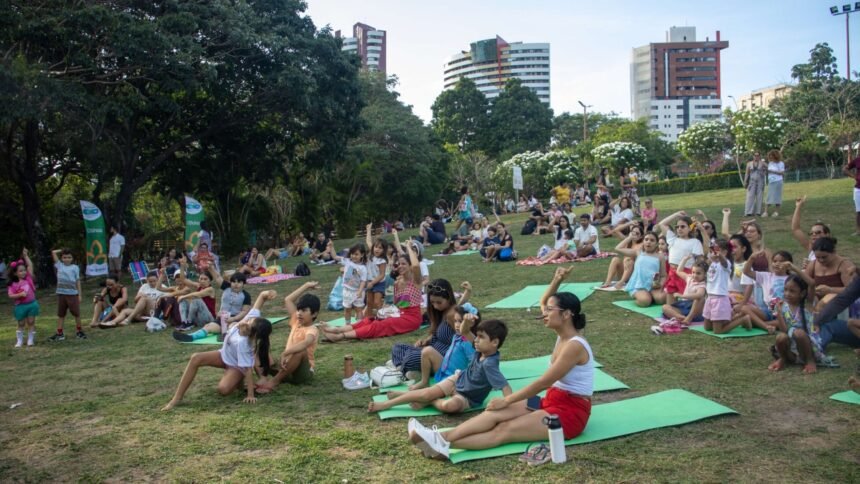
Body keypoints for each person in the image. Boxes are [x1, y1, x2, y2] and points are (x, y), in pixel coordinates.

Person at [408, 266, 593, 460]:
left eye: (549, 310)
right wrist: (557, 279)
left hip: (570, 412)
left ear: (566, 315)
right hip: (549, 400)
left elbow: (543, 383)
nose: (544, 312)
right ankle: (438, 438)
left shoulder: (574, 346)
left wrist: (506, 399)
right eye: (545, 309)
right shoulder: (562, 333)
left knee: (505, 429)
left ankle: (443, 443)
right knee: (495, 413)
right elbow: (543, 301)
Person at [161, 291, 276, 411]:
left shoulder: (243, 343)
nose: (245, 323)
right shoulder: (248, 321)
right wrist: (266, 293)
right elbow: (261, 298)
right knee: (196, 358)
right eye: (248, 321)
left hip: (237, 366)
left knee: (223, 390)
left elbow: (248, 370)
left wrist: (250, 395)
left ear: (252, 334)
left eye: (248, 325)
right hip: (224, 355)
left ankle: (238, 381)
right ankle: (177, 398)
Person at [370, 318, 510, 415]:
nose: (477, 340)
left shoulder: (490, 364)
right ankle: (386, 405)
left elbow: (505, 386)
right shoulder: (481, 349)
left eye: (481, 337)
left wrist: (508, 403)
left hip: (468, 397)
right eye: (477, 336)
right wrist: (466, 322)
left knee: (449, 406)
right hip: (457, 379)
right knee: (425, 393)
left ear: (494, 342)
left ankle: (429, 401)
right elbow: (465, 331)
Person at [320, 231, 424, 341]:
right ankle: (338, 330)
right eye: (399, 264)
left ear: (410, 266)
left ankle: (341, 336)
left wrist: (408, 247)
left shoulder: (415, 281)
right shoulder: (397, 283)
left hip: (411, 318)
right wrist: (387, 309)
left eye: (404, 264)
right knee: (370, 320)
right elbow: (397, 305)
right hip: (398, 313)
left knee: (382, 324)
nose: (400, 266)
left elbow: (416, 265)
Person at [390, 279, 459, 388]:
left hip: (442, 356)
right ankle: (409, 369)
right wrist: (426, 340)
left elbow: (461, 338)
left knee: (410, 358)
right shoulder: (439, 313)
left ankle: (405, 368)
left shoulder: (452, 315)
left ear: (449, 298)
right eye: (432, 303)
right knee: (397, 347)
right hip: (430, 349)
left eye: (439, 302)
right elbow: (435, 334)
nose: (435, 306)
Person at [256, 282, 322, 392]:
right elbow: (288, 300)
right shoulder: (296, 322)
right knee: (257, 348)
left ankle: (274, 382)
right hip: (286, 368)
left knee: (301, 351)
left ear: (314, 314)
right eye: (298, 310)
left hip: (300, 374)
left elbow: (305, 343)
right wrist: (306, 286)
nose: (299, 313)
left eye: (304, 310)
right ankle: (263, 379)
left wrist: (286, 353)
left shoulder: (313, 329)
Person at [768, 276, 833, 374]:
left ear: (802, 293)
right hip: (792, 351)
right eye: (785, 290)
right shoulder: (783, 307)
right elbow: (784, 330)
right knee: (780, 337)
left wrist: (792, 267)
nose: (787, 294)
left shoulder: (807, 304)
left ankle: (810, 360)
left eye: (792, 291)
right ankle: (783, 358)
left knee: (799, 333)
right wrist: (779, 313)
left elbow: (811, 283)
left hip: (807, 347)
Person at [739, 250, 806, 333]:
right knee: (744, 308)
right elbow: (746, 271)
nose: (777, 264)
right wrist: (752, 258)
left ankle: (756, 323)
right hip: (767, 311)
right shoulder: (766, 276)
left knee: (785, 322)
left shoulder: (792, 279)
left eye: (781, 261)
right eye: (774, 261)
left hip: (785, 312)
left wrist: (795, 269)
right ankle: (766, 326)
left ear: (789, 264)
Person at [702, 239, 750, 334]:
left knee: (718, 331)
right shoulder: (713, 263)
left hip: (720, 299)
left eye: (715, 251)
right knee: (707, 328)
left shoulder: (726, 264)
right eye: (711, 252)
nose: (713, 254)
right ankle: (735, 317)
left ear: (724, 252)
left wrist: (719, 255)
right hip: (710, 298)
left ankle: (743, 319)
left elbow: (723, 261)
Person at [101, 270, 170, 327]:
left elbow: (167, 303)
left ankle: (128, 319)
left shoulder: (162, 287)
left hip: (154, 311)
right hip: (142, 312)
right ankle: (112, 322)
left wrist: (147, 298)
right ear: (147, 280)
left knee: (144, 298)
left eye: (154, 281)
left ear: (158, 279)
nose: (152, 283)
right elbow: (135, 300)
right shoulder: (144, 286)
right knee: (125, 311)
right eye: (150, 281)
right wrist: (139, 296)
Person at [658, 211, 704, 297]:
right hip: (672, 272)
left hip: (685, 273)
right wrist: (676, 214)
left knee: (685, 298)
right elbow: (661, 224)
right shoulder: (672, 239)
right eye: (677, 227)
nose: (679, 228)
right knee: (670, 297)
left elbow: (700, 259)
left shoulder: (695, 242)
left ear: (690, 228)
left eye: (683, 226)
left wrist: (692, 272)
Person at [804, 237, 855, 312]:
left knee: (822, 304)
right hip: (818, 297)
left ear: (834, 252)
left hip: (840, 298)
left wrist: (831, 290)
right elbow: (804, 282)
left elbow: (852, 290)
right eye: (818, 257)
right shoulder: (814, 264)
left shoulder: (844, 265)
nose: (821, 260)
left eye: (824, 257)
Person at [615, 232, 666, 307]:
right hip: (639, 286)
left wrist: (660, 284)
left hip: (653, 286)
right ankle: (642, 296)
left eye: (652, 240)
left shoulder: (660, 256)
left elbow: (663, 275)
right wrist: (629, 238)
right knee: (645, 302)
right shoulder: (638, 253)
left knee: (662, 299)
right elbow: (618, 248)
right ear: (643, 242)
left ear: (656, 244)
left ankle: (650, 296)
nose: (648, 242)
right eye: (646, 239)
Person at [51, 248, 85, 340]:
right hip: (61, 294)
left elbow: (78, 281)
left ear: (72, 258)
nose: (67, 259)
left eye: (69, 257)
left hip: (72, 294)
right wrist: (62, 250)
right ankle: (59, 333)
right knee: (61, 314)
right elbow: (53, 252)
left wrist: (79, 295)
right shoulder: (59, 266)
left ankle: (79, 331)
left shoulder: (75, 268)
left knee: (76, 313)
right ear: (61, 258)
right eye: (64, 257)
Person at [599, 222, 644, 290]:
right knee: (615, 259)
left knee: (629, 260)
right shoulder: (627, 241)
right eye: (633, 232)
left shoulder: (641, 245)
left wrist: (630, 237)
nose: (634, 235)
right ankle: (608, 281)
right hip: (624, 272)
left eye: (637, 234)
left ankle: (621, 282)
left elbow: (618, 249)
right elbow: (616, 230)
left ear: (641, 236)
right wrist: (629, 223)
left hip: (633, 274)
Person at [7, 249, 38, 347]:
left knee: (31, 321)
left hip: (32, 304)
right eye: (21, 271)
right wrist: (19, 295)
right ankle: (19, 341)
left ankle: (30, 340)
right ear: (15, 273)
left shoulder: (28, 278)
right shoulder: (13, 284)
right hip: (20, 306)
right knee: (21, 323)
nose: (24, 272)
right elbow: (10, 295)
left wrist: (26, 256)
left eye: (24, 270)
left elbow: (30, 265)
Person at [174, 258, 216, 330]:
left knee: (196, 299)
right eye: (201, 279)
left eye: (205, 279)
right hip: (198, 318)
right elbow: (183, 279)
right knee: (183, 300)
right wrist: (182, 266)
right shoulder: (198, 285)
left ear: (210, 281)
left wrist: (184, 296)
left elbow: (198, 294)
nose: (202, 281)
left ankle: (189, 322)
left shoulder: (210, 289)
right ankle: (184, 322)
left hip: (208, 319)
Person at [662, 255, 706, 323]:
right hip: (683, 306)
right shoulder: (690, 278)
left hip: (694, 309)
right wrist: (684, 259)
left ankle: (689, 318)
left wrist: (682, 296)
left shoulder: (702, 284)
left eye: (698, 273)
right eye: (693, 272)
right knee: (665, 307)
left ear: (705, 274)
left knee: (699, 299)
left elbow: (699, 295)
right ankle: (680, 317)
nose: (695, 275)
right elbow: (678, 271)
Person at [789, 196, 831, 265]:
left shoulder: (830, 252)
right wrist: (798, 206)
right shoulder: (811, 248)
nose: (814, 235)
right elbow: (795, 229)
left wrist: (812, 265)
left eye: (818, 232)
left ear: (827, 235)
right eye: (811, 233)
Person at [334, 243, 368, 325]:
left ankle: (359, 325)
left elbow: (363, 281)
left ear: (362, 255)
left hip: (357, 292)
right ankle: (347, 324)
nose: (354, 256)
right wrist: (331, 247)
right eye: (352, 254)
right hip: (347, 291)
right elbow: (335, 257)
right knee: (347, 309)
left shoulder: (363, 268)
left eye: (356, 254)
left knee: (358, 309)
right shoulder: (347, 261)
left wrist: (360, 291)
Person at [842, 152, 860, 235]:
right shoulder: (857, 160)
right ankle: (858, 231)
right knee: (859, 211)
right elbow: (845, 169)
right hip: (858, 189)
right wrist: (854, 176)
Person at [743, 152, 767, 216]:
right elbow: (747, 173)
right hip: (752, 182)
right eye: (755, 155)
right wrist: (745, 182)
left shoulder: (762, 163)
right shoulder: (749, 164)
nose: (756, 157)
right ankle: (748, 212)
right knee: (750, 196)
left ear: (759, 156)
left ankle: (758, 212)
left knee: (760, 197)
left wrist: (764, 168)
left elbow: (768, 169)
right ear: (753, 156)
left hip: (760, 181)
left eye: (758, 155)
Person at [764, 150, 785, 217]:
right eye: (769, 156)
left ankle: (776, 212)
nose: (770, 157)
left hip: (778, 181)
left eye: (771, 156)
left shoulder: (781, 163)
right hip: (771, 182)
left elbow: (782, 173)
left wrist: (772, 171)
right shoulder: (770, 163)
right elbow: (769, 172)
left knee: (777, 197)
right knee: (769, 197)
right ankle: (765, 212)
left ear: (775, 156)